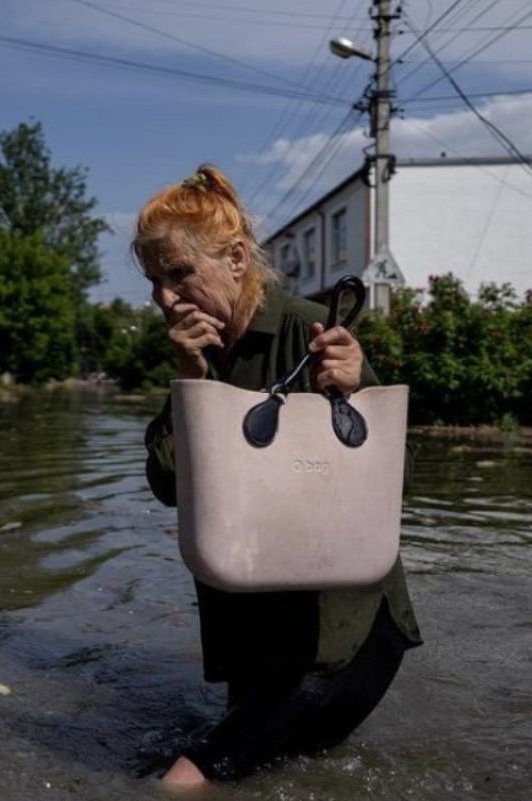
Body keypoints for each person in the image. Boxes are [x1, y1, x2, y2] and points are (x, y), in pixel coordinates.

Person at [134, 164, 423, 788]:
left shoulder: (307, 327)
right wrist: (189, 380)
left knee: (182, 783)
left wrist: (355, 385)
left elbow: (394, 484)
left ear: (237, 258)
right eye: (154, 281)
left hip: (339, 636)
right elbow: (166, 488)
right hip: (254, 634)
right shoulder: (202, 352)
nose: (164, 297)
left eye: (179, 273)